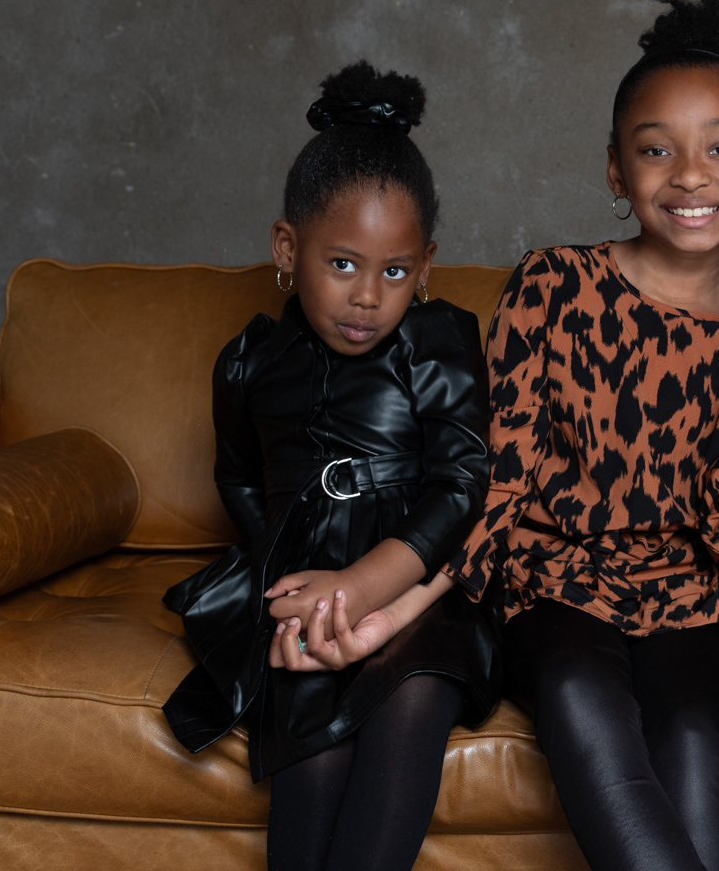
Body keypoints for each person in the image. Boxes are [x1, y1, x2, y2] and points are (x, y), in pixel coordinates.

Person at [316, 0, 719, 871]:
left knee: (690, 735)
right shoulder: (552, 285)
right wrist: (400, 607)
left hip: (703, 598)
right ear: (617, 171)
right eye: (657, 150)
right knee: (581, 694)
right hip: (555, 586)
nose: (691, 176)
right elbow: (500, 482)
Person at [161, 62, 501, 871]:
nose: (367, 296)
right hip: (306, 585)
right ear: (288, 247)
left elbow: (462, 485)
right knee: (308, 736)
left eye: (394, 271)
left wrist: (364, 585)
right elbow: (239, 476)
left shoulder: (437, 340)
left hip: (418, 586)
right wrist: (282, 572)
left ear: (425, 266)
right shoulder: (248, 362)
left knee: (412, 696)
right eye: (342, 263)